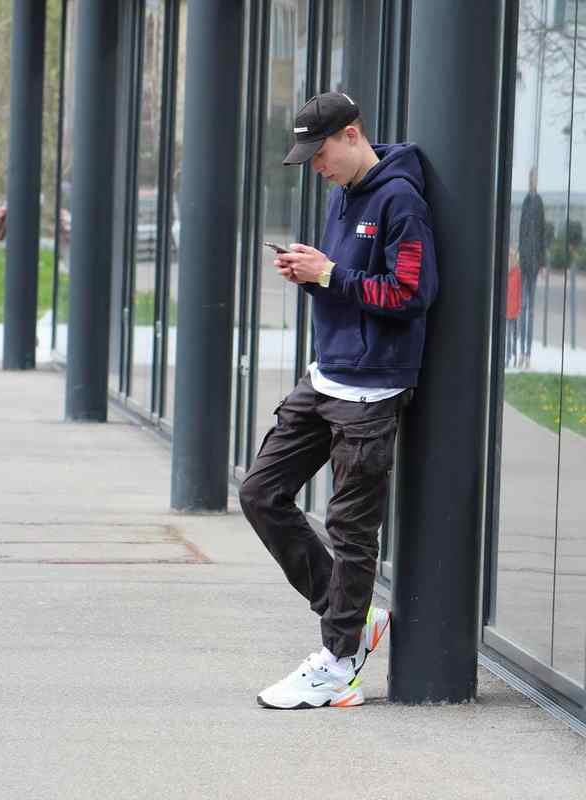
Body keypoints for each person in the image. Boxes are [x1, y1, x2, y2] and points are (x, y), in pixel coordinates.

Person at [239, 92, 438, 710]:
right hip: (326, 376)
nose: (316, 167)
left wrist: (329, 275)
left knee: (351, 529)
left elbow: (411, 293)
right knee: (260, 493)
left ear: (352, 134)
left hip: (372, 389)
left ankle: (339, 664)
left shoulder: (401, 200)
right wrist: (311, 274)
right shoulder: (341, 196)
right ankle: (349, 617)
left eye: (320, 153)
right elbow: (343, 285)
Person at [518, 167, 546, 368]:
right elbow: (521, 231)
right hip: (524, 262)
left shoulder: (539, 203)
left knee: (530, 310)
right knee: (523, 308)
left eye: (535, 178)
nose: (533, 181)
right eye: (531, 178)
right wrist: (520, 255)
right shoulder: (526, 201)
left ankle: (528, 353)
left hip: (535, 263)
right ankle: (521, 353)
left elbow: (542, 233)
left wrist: (542, 262)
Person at [506, 246, 522, 368]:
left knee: (514, 335)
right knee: (508, 335)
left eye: (513, 258)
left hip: (514, 310)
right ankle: (508, 357)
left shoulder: (518, 274)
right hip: (507, 310)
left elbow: (519, 293)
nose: (511, 261)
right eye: (509, 258)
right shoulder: (506, 275)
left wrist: (519, 308)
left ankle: (515, 356)